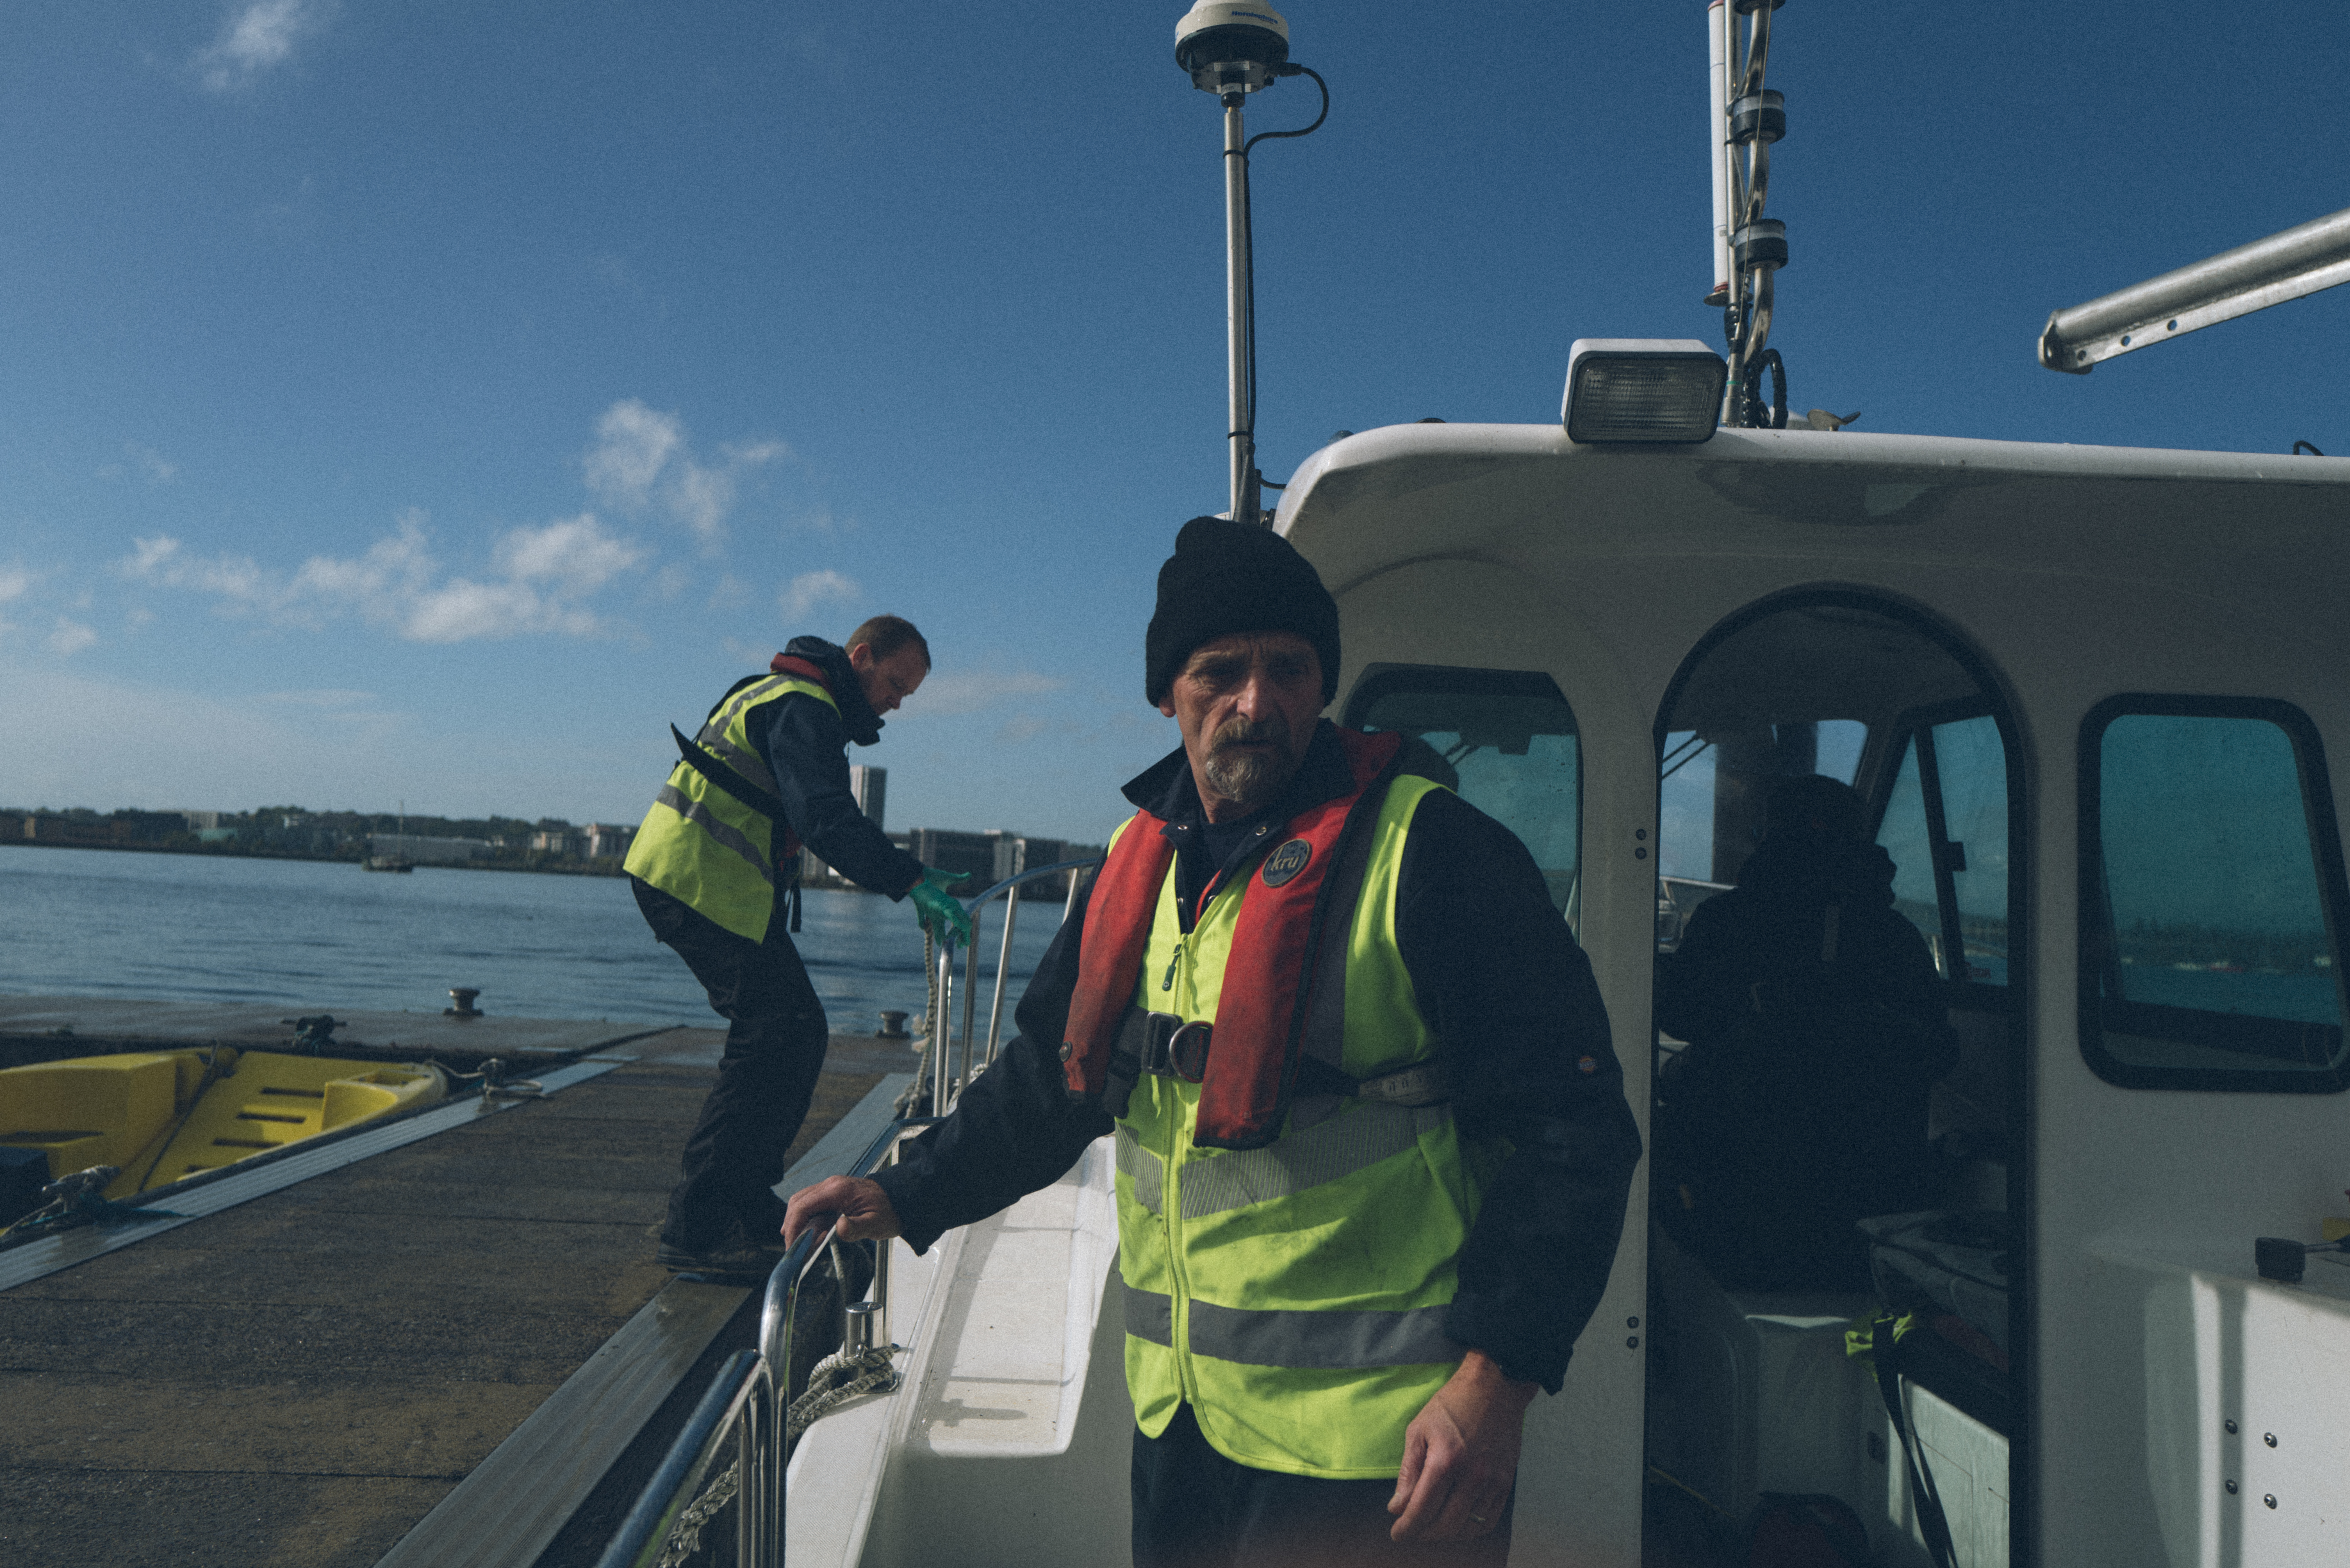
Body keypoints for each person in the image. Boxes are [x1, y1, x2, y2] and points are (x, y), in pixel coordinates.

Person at [786, 518, 1642, 1567]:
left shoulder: (1435, 854)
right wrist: (906, 1192)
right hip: (1184, 1427)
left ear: (1321, 685)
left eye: (1288, 669)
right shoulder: (1132, 862)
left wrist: (1494, 1382)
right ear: (1167, 694)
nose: (1255, 702)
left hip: (1383, 1455)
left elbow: (1574, 1133)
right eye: (1219, 672)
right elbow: (1052, 1081)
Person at [625, 614, 973, 1275]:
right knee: (775, 1033)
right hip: (694, 881)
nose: (896, 704)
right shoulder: (802, 705)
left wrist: (905, 875)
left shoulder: (786, 695)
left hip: (708, 884)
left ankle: (741, 1205)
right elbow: (823, 816)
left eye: (907, 694)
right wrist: (907, 879)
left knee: (791, 1032)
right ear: (861, 657)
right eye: (894, 685)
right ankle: (700, 1227)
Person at [1652, 772, 1959, 1290]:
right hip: (1866, 1215)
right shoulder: (1897, 937)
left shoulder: (1724, 921)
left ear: (1769, 834)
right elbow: (1940, 1053)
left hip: (1741, 1211)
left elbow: (1678, 1016)